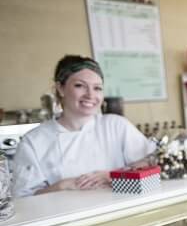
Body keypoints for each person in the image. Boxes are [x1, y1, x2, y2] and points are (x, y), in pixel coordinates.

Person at [12, 55, 154, 197]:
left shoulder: (116, 126)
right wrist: (63, 185)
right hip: (68, 217)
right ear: (60, 88)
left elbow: (152, 164)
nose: (90, 95)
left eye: (97, 88)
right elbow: (24, 200)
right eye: (80, 85)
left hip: (120, 212)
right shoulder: (34, 141)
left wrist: (114, 176)